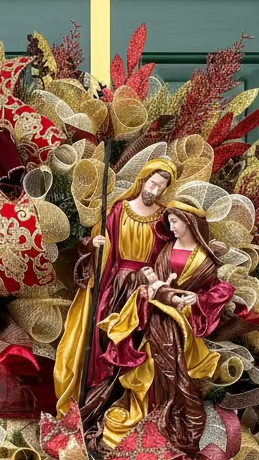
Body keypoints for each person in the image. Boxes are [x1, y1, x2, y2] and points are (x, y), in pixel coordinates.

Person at [98, 198, 237, 457]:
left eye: (175, 221)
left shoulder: (205, 260)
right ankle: (144, 416)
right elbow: (156, 283)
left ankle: (166, 421)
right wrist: (152, 285)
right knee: (148, 366)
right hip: (157, 318)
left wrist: (197, 299)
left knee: (173, 370)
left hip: (181, 323)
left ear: (189, 222)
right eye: (170, 222)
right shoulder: (167, 249)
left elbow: (216, 289)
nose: (171, 226)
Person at [53, 157, 177, 424]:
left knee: (135, 343)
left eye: (161, 188)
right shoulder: (119, 210)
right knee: (104, 339)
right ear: (143, 179)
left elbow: (169, 253)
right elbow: (101, 243)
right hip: (115, 285)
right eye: (153, 184)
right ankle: (97, 401)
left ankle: (124, 401)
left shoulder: (164, 217)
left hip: (143, 289)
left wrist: (156, 275)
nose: (155, 191)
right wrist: (93, 244)